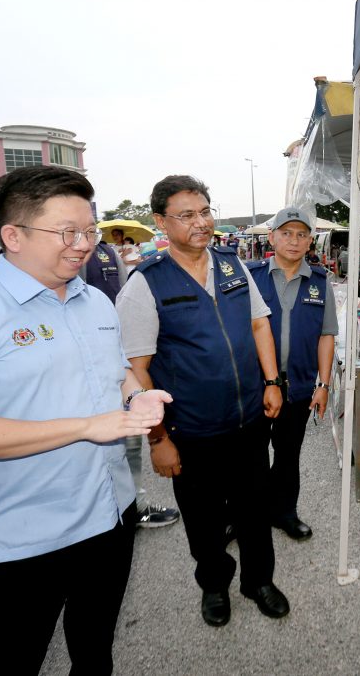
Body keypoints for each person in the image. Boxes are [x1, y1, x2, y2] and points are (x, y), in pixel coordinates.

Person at [0, 166, 171, 675]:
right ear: (12, 236)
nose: (84, 244)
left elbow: (116, 376)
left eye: (90, 230)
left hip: (109, 517)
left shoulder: (95, 301)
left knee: (95, 655)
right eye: (67, 232)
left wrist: (138, 397)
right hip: (24, 538)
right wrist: (86, 426)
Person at [115, 175, 288, 626]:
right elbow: (136, 370)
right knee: (203, 520)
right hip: (190, 430)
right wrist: (157, 439)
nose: (202, 222)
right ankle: (214, 585)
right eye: (187, 215)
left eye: (206, 211)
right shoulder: (145, 283)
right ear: (160, 222)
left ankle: (258, 581)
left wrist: (273, 381)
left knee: (254, 508)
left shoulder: (233, 266)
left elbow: (259, 326)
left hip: (248, 420)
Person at [246, 207, 337, 541]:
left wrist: (323, 384)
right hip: (255, 387)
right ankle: (245, 516)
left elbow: (326, 335)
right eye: (286, 233)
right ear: (271, 237)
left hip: (298, 387)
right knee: (249, 459)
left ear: (310, 241)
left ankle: (284, 512)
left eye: (301, 234)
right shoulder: (250, 276)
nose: (294, 241)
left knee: (288, 455)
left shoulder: (320, 282)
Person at [82, 227, 179, 529]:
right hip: (87, 371)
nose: (83, 240)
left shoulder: (108, 253)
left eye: (87, 229)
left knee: (129, 442)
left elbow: (121, 294)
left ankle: (133, 505)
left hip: (114, 353)